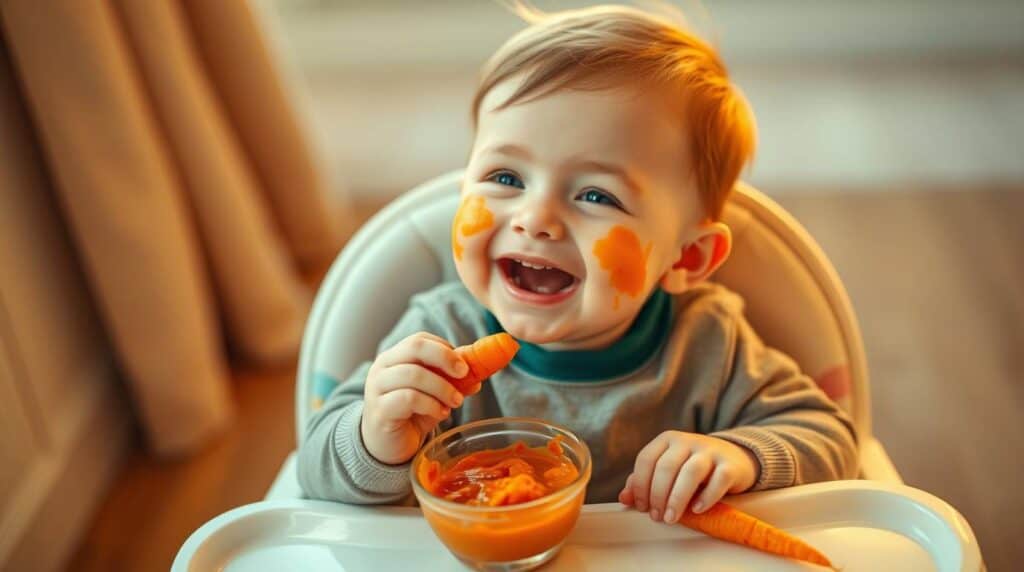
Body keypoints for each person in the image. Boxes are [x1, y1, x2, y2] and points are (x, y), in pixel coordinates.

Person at [298, 3, 857, 526]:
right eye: (506, 178)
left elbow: (832, 439)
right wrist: (377, 437)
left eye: (595, 196)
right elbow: (315, 470)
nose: (535, 219)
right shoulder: (439, 337)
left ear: (686, 257)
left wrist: (739, 456)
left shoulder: (710, 345)